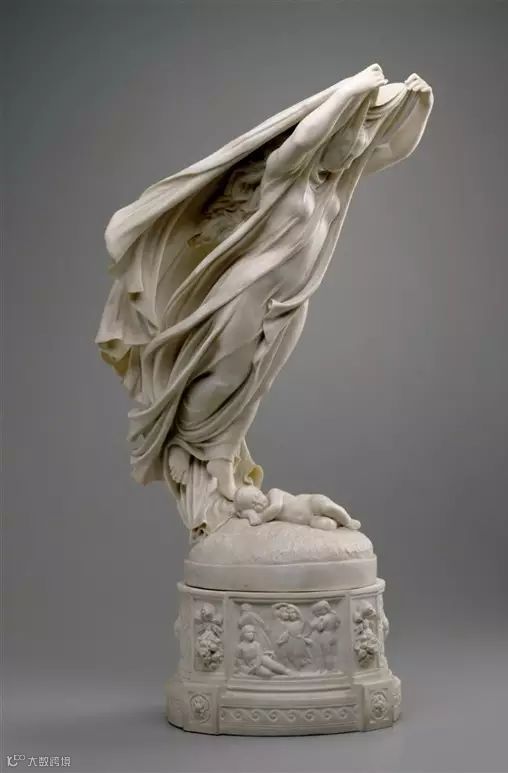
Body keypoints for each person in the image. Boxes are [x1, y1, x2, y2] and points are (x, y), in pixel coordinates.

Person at [97, 65, 433, 528]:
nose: (358, 145)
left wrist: (420, 106)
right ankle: (184, 441)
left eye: (361, 137)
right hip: (250, 290)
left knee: (254, 385)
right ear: (329, 135)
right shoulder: (287, 172)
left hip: (292, 302)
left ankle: (222, 465)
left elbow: (391, 150)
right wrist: (354, 87)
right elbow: (306, 134)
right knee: (225, 376)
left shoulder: (335, 183)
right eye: (351, 135)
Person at [233, 484, 360, 531]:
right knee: (327, 525)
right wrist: (247, 513)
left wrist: (260, 517)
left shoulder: (273, 493)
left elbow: (276, 508)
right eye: (254, 505)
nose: (259, 503)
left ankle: (347, 520)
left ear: (260, 491)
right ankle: (337, 523)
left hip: (310, 503)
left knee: (328, 508)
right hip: (308, 519)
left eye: (257, 497)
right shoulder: (267, 514)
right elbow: (253, 521)